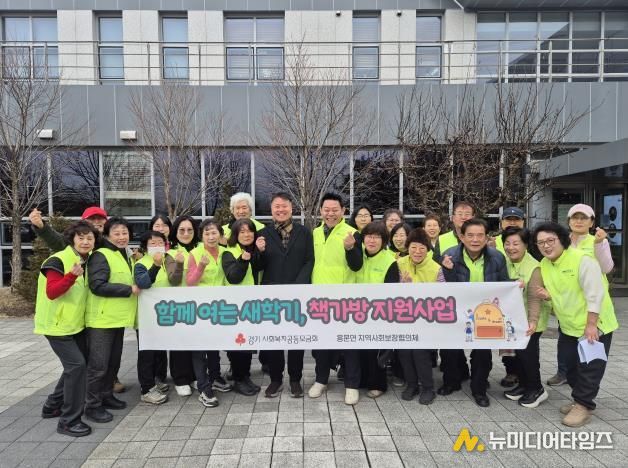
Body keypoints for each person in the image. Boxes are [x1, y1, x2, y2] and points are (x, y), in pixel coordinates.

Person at [29, 206, 126, 395]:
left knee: (83, 362)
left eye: (100, 219)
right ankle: (75, 401)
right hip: (73, 319)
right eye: (92, 219)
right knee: (80, 364)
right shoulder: (74, 251)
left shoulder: (108, 245)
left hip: (96, 312)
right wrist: (41, 227)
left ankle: (99, 388)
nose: (96, 222)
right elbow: (57, 241)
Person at [533, 222, 618, 427]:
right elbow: (564, 291)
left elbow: (595, 294)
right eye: (540, 242)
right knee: (569, 367)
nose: (546, 246)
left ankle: (583, 405)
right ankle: (579, 399)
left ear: (562, 240)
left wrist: (592, 325)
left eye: (550, 240)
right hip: (569, 325)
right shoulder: (545, 264)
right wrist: (548, 296)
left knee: (590, 367)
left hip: (594, 325)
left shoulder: (583, 260)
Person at [34, 221, 99, 437]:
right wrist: (71, 276)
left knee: (76, 366)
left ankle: (52, 405)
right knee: (77, 366)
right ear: (72, 239)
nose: (85, 242)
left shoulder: (87, 260)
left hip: (74, 325)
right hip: (56, 326)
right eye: (81, 237)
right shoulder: (58, 260)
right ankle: (68, 421)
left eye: (90, 238)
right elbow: (52, 292)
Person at [439, 218, 510, 407]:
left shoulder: (497, 257)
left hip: (485, 313)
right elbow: (443, 288)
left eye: (480, 235)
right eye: (470, 235)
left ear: (487, 238)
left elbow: (504, 285)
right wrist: (448, 270)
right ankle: (451, 382)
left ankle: (479, 389)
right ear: (462, 237)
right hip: (456, 312)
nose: (475, 240)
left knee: (482, 354)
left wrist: (515, 286)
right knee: (449, 350)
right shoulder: (449, 256)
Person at [547, 203, 614, 387]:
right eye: (575, 217)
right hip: (569, 305)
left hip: (594, 307)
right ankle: (564, 373)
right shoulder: (562, 241)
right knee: (566, 346)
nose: (579, 221)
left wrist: (599, 245)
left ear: (591, 222)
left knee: (590, 354)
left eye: (584, 218)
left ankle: (584, 393)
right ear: (568, 221)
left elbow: (606, 268)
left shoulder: (598, 241)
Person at [257, 193, 314, 399]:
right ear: (271, 210)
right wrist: (259, 251)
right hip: (271, 295)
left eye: (284, 206)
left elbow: (309, 260)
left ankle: (295, 379)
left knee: (296, 339)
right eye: (277, 207)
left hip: (298, 294)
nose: (280, 210)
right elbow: (258, 266)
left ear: (292, 208)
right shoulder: (262, 234)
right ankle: (275, 379)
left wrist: (298, 286)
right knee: (274, 339)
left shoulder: (304, 232)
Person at [308, 193, 363, 405]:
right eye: (326, 210)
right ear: (321, 211)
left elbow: (357, 265)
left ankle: (352, 385)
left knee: (349, 344)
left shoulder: (352, 233)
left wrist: (350, 248)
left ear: (343, 211)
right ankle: (321, 380)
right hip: (320, 299)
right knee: (321, 343)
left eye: (335, 210)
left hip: (344, 299)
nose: (330, 214)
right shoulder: (315, 233)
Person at [85, 217, 139, 423]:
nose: (122, 237)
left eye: (125, 233)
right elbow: (97, 285)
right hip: (101, 320)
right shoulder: (101, 255)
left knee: (112, 363)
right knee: (98, 366)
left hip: (116, 319)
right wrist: (128, 289)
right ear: (107, 235)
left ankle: (106, 395)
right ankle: (92, 406)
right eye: (116, 233)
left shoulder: (123, 254)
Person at [500, 227, 550, 408]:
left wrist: (533, 321)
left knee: (528, 355)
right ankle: (523, 385)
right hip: (514, 319)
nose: (511, 247)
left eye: (516, 243)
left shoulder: (534, 267)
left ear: (526, 245)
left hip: (531, 319)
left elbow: (535, 298)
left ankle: (536, 389)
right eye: (507, 243)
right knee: (517, 355)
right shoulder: (505, 261)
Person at [186, 220, 233, 406]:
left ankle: (215, 377)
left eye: (214, 233)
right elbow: (190, 282)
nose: (211, 237)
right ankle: (204, 387)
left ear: (220, 234)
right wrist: (201, 267)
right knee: (199, 348)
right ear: (201, 236)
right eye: (207, 234)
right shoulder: (195, 253)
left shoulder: (225, 252)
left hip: (219, 307)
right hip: (200, 308)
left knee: (214, 345)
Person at [353, 222, 399, 402]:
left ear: (384, 240)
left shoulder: (389, 260)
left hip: (378, 312)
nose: (372, 240)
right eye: (369, 236)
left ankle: (377, 384)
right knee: (360, 348)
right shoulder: (359, 256)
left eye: (377, 237)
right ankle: (362, 380)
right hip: (357, 310)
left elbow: (391, 290)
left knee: (375, 350)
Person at [397, 228, 442, 405]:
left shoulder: (436, 268)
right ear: (408, 247)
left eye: (422, 248)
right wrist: (403, 286)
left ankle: (428, 388)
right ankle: (412, 385)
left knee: (420, 352)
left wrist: (414, 288)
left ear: (427, 249)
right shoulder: (399, 263)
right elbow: (390, 291)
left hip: (426, 319)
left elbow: (442, 295)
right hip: (403, 318)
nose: (417, 252)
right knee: (404, 352)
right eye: (413, 247)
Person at [222, 218, 263, 396]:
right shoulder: (229, 252)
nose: (247, 235)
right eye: (242, 232)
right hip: (234, 307)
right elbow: (233, 278)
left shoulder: (252, 250)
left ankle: (245, 376)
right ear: (235, 235)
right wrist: (243, 260)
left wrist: (258, 252)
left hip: (250, 306)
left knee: (247, 344)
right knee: (238, 345)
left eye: (250, 231)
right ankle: (238, 379)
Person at [488, 207, 526, 389]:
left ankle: (526, 377)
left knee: (525, 344)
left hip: (524, 300)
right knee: (506, 340)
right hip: (502, 301)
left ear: (523, 222)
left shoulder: (530, 241)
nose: (512, 223)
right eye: (508, 219)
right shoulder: (492, 242)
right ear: (501, 222)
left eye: (516, 219)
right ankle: (511, 372)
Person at [133, 231, 170, 406]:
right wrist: (155, 265)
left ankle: (158, 379)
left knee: (160, 350)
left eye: (160, 242)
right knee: (147, 353)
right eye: (152, 243)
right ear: (145, 246)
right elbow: (143, 283)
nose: (157, 246)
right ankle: (146, 388)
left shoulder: (167, 261)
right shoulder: (141, 264)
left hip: (164, 315)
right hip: (146, 317)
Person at [164, 215, 198, 396]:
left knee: (196, 343)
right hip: (179, 305)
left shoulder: (201, 249)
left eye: (190, 230)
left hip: (200, 304)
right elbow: (174, 280)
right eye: (182, 230)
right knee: (180, 344)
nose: (186, 233)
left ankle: (195, 375)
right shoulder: (170, 253)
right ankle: (180, 378)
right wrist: (179, 264)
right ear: (175, 232)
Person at [146, 214, 172, 387]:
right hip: (151, 304)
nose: (161, 228)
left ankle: (165, 374)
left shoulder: (175, 248)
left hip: (174, 303)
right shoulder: (145, 253)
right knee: (154, 345)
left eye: (164, 225)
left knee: (172, 342)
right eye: (157, 225)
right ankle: (156, 377)